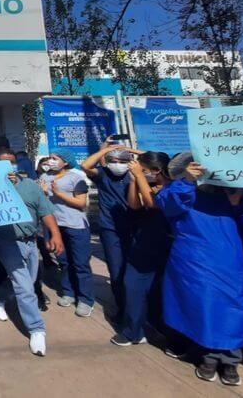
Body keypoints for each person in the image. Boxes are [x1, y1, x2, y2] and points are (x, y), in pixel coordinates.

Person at [156, 156, 243, 386]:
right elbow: (169, 204)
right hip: (194, 261)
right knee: (205, 308)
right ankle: (208, 357)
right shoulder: (182, 192)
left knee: (234, 309)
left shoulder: (242, 195)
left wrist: (238, 202)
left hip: (233, 262)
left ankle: (230, 361)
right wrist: (187, 183)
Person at [0, 149, 65, 356]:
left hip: (30, 242)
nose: (9, 167)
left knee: (28, 281)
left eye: (11, 162)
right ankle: (37, 329)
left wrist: (55, 234)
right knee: (24, 287)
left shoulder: (30, 186)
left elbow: (45, 211)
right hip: (7, 242)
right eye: (3, 163)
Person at [110, 152, 173, 347]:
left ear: (157, 171)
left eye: (145, 170)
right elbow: (134, 205)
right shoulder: (144, 184)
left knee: (159, 292)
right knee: (133, 287)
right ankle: (132, 331)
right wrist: (136, 181)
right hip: (143, 246)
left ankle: (162, 328)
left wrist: (139, 176)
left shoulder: (174, 189)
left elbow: (152, 204)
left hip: (167, 247)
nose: (140, 172)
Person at [81, 142, 142, 320]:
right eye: (113, 160)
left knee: (138, 271)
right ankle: (123, 309)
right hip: (111, 229)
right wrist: (106, 149)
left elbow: (156, 159)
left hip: (135, 228)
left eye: (121, 160)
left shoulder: (135, 175)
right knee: (116, 271)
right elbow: (85, 165)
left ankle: (140, 307)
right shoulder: (103, 175)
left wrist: (129, 150)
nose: (117, 164)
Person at [40, 149, 94, 317]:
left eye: (55, 158)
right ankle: (68, 292)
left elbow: (81, 203)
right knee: (63, 262)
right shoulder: (44, 177)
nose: (51, 161)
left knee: (80, 263)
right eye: (50, 158)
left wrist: (58, 194)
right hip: (55, 226)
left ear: (65, 162)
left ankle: (85, 299)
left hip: (75, 225)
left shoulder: (76, 178)